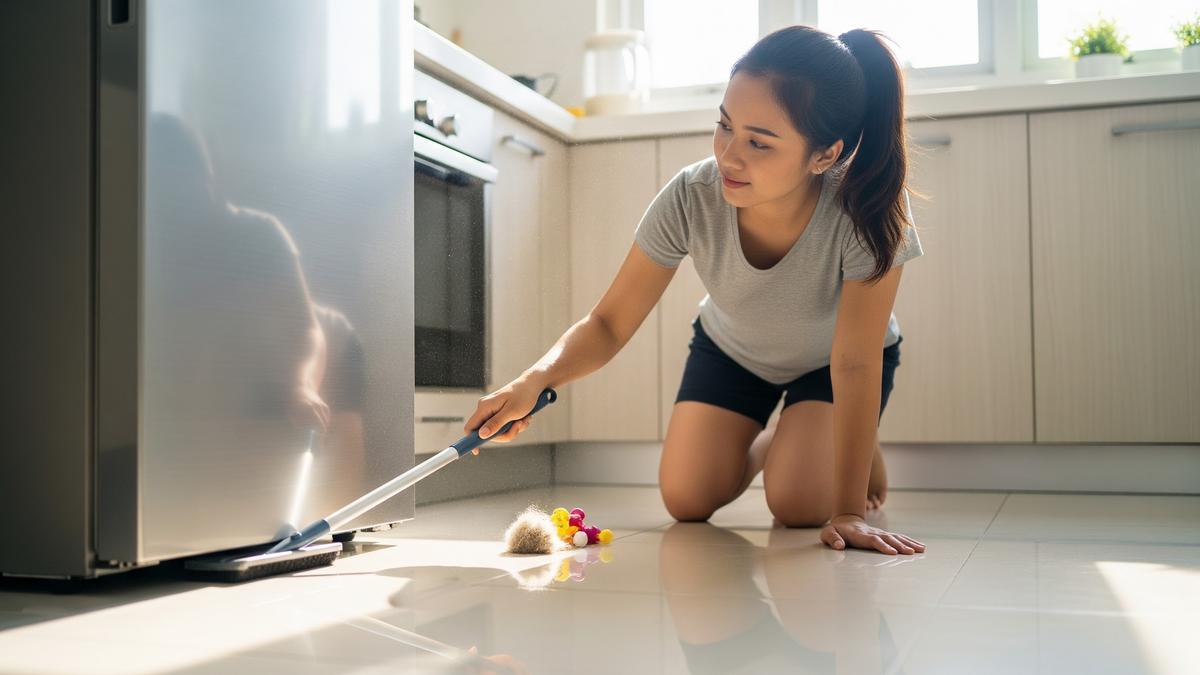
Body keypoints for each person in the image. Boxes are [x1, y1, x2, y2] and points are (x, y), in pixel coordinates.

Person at [465, 26, 927, 555]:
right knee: (687, 498)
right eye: (725, 127)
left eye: (759, 142)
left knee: (798, 505)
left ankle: (841, 441)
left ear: (824, 155)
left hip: (834, 364)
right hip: (735, 351)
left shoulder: (868, 208)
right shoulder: (692, 195)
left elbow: (855, 364)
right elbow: (610, 323)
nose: (730, 156)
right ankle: (791, 438)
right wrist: (536, 378)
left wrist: (847, 511)